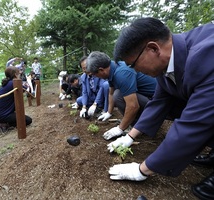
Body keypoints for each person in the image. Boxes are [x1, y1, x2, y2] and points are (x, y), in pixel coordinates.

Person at [109, 17, 214, 200]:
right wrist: (129, 136)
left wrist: (143, 169)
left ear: (153, 49)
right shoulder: (167, 64)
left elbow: (194, 124)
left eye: (133, 65)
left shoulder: (206, 55)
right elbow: (158, 102)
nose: (135, 71)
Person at [86, 51, 156, 139]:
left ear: (101, 70)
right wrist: (109, 112)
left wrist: (120, 128)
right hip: (145, 97)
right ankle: (137, 124)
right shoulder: (112, 68)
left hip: (157, 102)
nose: (96, 77)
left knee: (118, 95)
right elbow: (111, 93)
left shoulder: (122, 74)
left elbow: (133, 106)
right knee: (117, 94)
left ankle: (142, 127)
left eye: (95, 74)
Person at [0, 66, 32, 133]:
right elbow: (26, 88)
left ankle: (5, 123)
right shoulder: (14, 83)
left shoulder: (8, 83)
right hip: (3, 114)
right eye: (19, 74)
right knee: (28, 121)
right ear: (16, 75)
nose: (20, 75)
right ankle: (5, 124)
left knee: (23, 118)